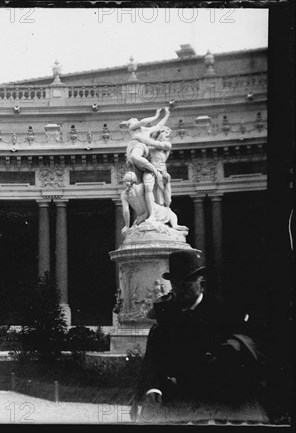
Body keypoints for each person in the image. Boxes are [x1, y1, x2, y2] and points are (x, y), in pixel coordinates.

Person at [131, 250, 266, 422]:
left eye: (187, 284)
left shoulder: (222, 313)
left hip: (217, 397)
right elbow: (153, 358)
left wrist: (228, 350)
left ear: (201, 284)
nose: (180, 290)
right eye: (176, 284)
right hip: (176, 398)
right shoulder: (166, 315)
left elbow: (247, 346)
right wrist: (152, 389)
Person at [125, 107, 171, 222]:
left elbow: (158, 127)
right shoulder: (133, 129)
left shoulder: (144, 133)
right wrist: (156, 116)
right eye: (133, 119)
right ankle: (150, 215)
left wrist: (166, 116)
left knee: (164, 199)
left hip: (157, 165)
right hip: (138, 147)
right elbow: (143, 122)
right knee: (147, 187)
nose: (134, 119)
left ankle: (157, 215)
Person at [120, 172, 188, 235]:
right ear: (135, 180)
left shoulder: (123, 194)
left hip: (141, 217)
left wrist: (127, 225)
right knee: (169, 211)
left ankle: (175, 226)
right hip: (154, 212)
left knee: (133, 230)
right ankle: (175, 225)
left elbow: (126, 211)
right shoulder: (142, 186)